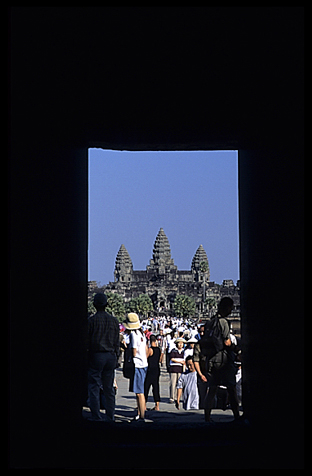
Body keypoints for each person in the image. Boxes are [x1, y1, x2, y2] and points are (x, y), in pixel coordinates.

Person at [204, 297, 240, 423]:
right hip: (223, 360)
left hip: (212, 360)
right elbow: (227, 341)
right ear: (227, 307)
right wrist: (237, 349)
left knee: (212, 389)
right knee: (231, 388)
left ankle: (207, 417)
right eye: (231, 307)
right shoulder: (224, 322)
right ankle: (236, 416)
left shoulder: (211, 321)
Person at [87, 293, 120, 421]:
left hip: (96, 355)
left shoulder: (91, 321)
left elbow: (87, 340)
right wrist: (117, 356)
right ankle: (110, 416)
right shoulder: (114, 321)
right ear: (107, 305)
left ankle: (96, 416)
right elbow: (117, 341)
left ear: (95, 305)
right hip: (110, 355)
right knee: (109, 388)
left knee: (94, 386)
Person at [124, 313, 148, 423]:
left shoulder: (133, 334)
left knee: (139, 392)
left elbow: (134, 350)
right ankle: (139, 413)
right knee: (139, 391)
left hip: (137, 364)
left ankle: (142, 416)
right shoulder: (142, 334)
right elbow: (147, 350)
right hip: (143, 363)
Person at [144, 334, 161, 411]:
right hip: (157, 369)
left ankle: (144, 405)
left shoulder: (150, 349)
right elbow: (160, 359)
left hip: (150, 369)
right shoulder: (158, 349)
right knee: (156, 387)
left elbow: (146, 357)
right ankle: (157, 405)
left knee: (146, 387)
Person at [168, 337, 185, 403]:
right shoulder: (173, 350)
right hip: (173, 369)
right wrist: (180, 361)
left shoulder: (184, 351)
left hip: (180, 369)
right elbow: (172, 359)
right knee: (173, 384)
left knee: (180, 384)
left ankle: (178, 397)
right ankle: (172, 397)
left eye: (182, 343)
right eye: (179, 343)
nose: (180, 345)